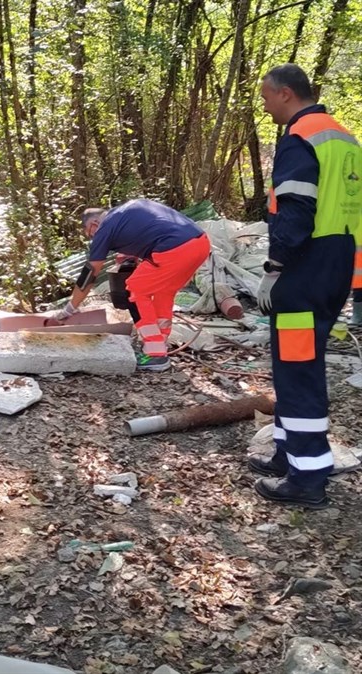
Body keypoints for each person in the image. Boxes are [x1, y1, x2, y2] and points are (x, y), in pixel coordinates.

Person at [248, 64, 361, 508]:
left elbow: (295, 210)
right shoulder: (344, 138)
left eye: (266, 96)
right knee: (295, 363)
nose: (265, 104)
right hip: (336, 265)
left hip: (305, 268)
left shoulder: (301, 138)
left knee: (298, 371)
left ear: (286, 94)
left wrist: (275, 266)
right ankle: (286, 453)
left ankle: (307, 477)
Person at [52, 199, 210, 372]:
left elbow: (90, 272)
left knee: (135, 290)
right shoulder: (129, 210)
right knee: (164, 291)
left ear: (95, 223)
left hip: (173, 248)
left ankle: (155, 354)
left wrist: (69, 309)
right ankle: (159, 343)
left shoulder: (106, 227)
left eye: (91, 234)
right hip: (200, 244)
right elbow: (151, 229)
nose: (94, 238)